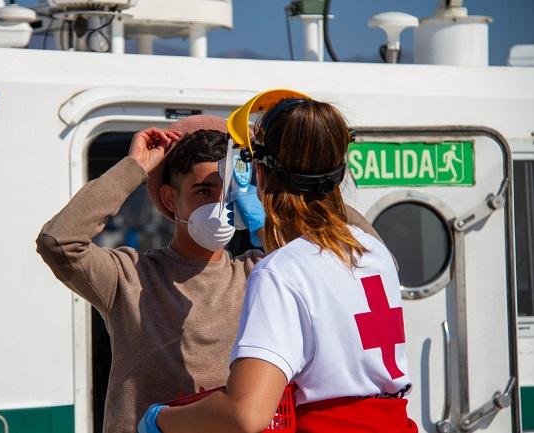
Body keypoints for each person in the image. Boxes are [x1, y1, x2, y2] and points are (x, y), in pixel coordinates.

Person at [36, 114, 383, 433]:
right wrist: (134, 168)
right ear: (170, 200)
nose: (220, 204)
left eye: (229, 191)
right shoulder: (128, 276)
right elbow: (58, 241)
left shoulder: (262, 272)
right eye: (204, 191)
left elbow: (359, 250)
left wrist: (277, 171)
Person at [138, 91, 415, 433]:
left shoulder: (281, 271)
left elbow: (246, 413)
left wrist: (159, 419)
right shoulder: (372, 250)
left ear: (259, 173)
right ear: (338, 173)